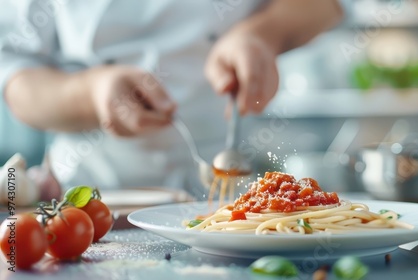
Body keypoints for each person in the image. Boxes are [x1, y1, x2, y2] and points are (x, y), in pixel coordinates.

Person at [0, 0, 344, 198]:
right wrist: (90, 94)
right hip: (87, 203)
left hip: (238, 195)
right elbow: (14, 73)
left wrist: (261, 33)